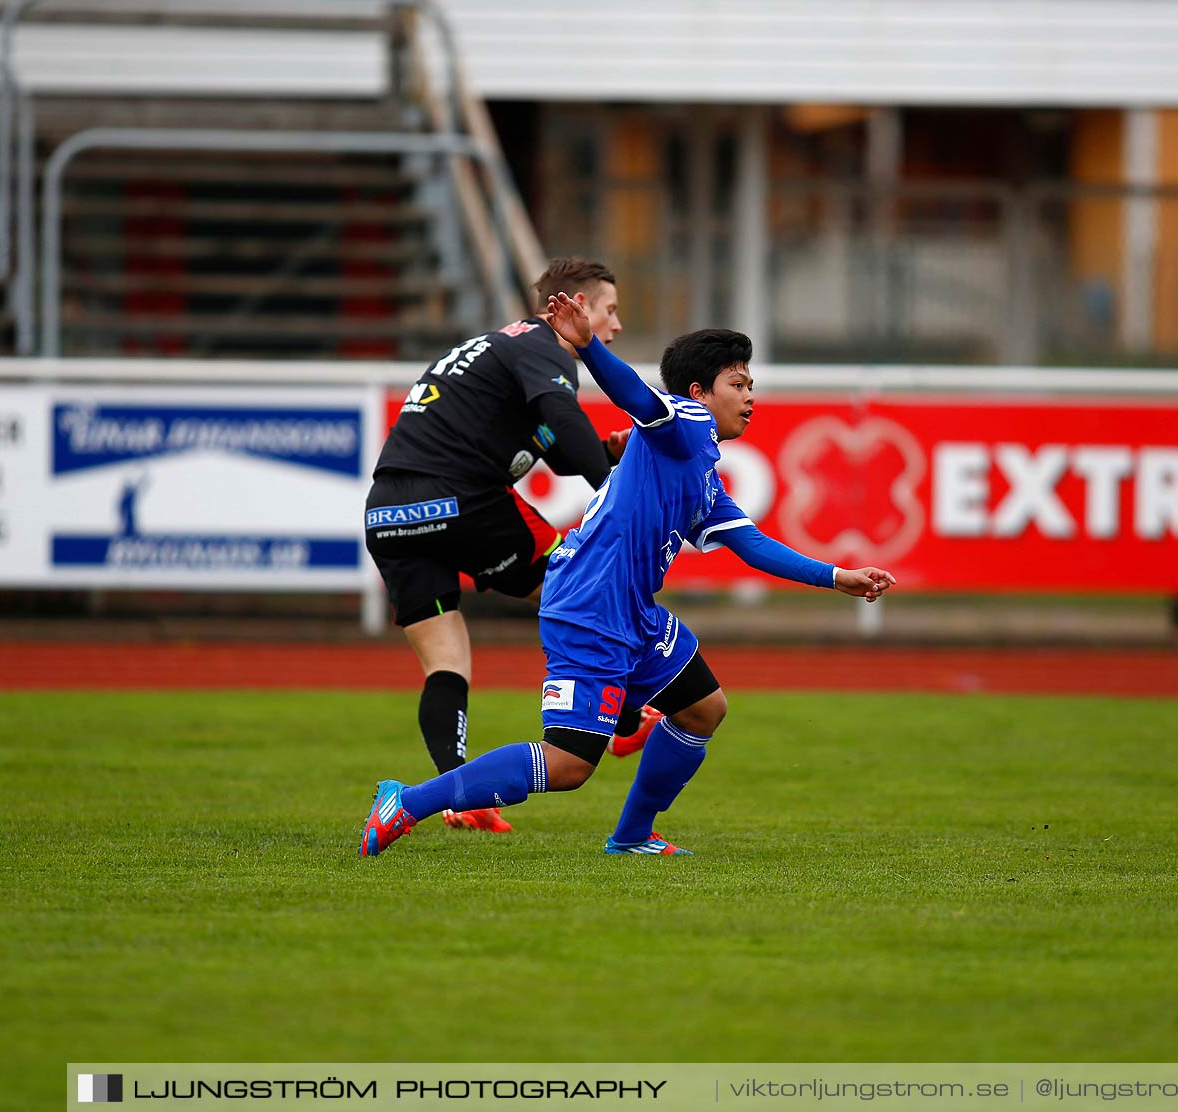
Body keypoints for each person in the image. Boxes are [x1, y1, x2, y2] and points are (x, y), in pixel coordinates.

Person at [361, 295, 898, 858]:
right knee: (568, 765)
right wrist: (590, 347)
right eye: (738, 384)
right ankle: (409, 802)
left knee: (702, 708)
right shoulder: (684, 421)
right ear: (699, 393)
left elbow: (751, 545)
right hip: (590, 603)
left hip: (631, 608)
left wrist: (837, 576)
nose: (750, 397)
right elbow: (638, 397)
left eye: (751, 385)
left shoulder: (702, 474)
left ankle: (633, 835)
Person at [364, 257, 642, 834]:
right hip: (459, 499)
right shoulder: (542, 346)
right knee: (583, 582)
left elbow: (558, 443)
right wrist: (619, 494)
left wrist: (604, 450)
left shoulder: (504, 350)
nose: (614, 327)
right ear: (576, 306)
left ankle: (456, 793)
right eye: (609, 311)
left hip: (390, 510)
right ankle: (629, 716)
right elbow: (561, 421)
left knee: (447, 663)